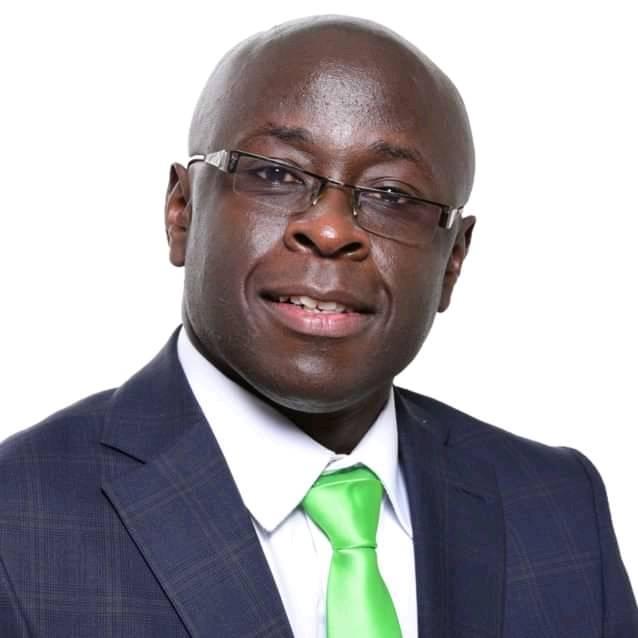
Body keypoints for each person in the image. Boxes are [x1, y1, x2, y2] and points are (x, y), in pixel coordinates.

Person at [0, 14, 635, 638]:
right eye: (275, 173)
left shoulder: (558, 507)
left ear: (453, 261)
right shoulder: (17, 519)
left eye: (393, 195)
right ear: (181, 211)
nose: (331, 230)